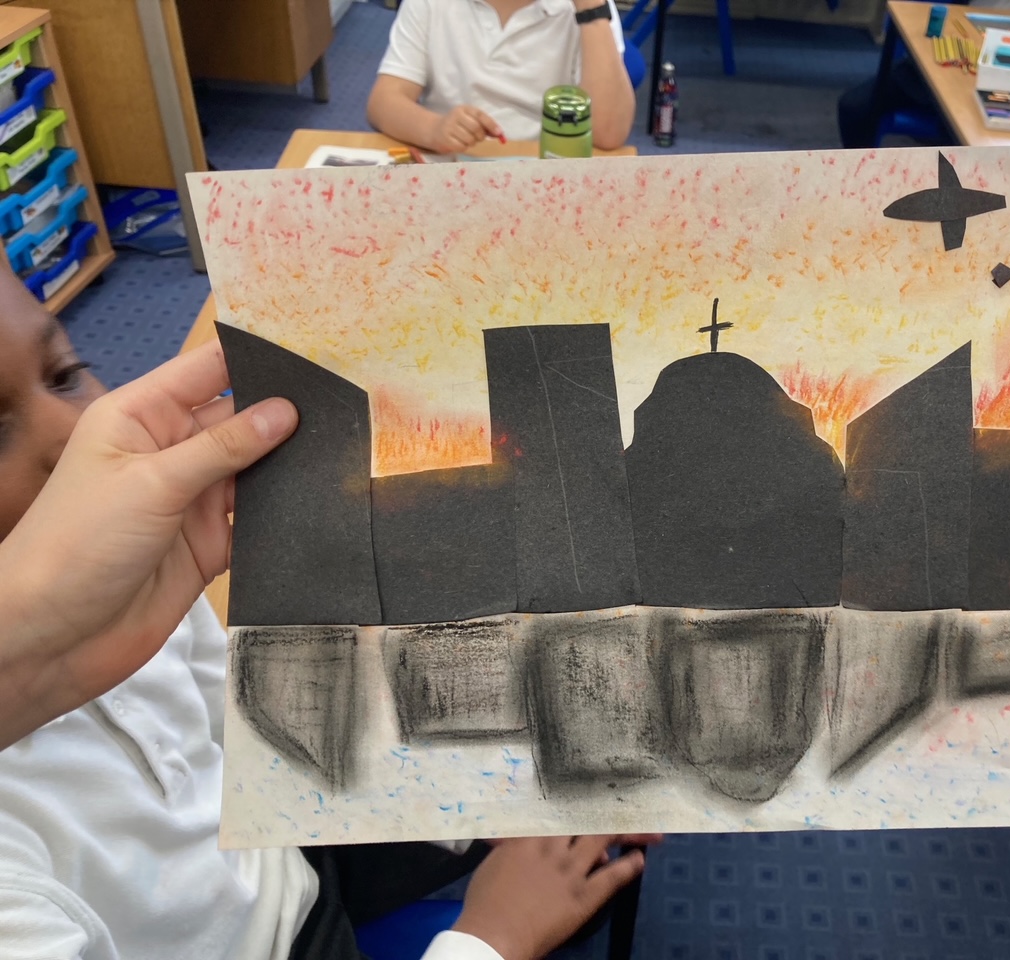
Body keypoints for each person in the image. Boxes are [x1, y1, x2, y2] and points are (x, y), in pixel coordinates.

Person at [0, 270, 650, 960]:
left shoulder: (116, 569)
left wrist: (465, 797)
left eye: (66, 375)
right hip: (275, 942)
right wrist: (493, 940)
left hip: (282, 850)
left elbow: (237, 733)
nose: (77, 436)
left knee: (568, 828)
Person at [366, 0, 635, 153]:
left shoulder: (587, 8)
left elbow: (608, 133)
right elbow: (384, 102)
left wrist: (591, 12)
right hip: (450, 163)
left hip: (543, 169)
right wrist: (433, 128)